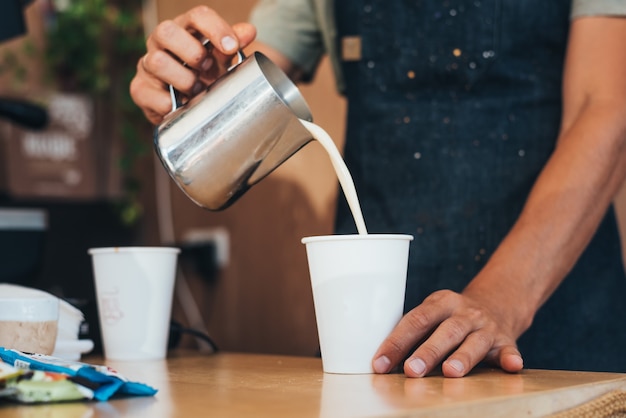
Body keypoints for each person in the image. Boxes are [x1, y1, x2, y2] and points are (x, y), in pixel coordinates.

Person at [130, 1, 626, 377]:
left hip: (551, 309)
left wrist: (500, 300)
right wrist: (195, 80)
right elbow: (251, 74)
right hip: (378, 332)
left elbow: (605, 108)